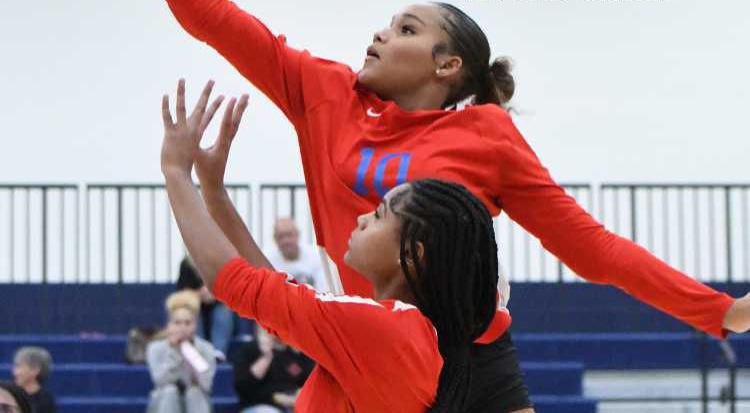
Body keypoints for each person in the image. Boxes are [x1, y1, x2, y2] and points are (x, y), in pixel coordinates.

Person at [141, 0, 750, 340]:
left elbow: (594, 249)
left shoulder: (486, 137)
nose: (381, 33)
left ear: (447, 65)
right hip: (361, 337)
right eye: (387, 24)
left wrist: (722, 312)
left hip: (465, 359)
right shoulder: (325, 93)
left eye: (406, 30)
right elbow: (211, 16)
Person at [157, 85, 525, 411]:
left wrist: (176, 172)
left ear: (413, 254)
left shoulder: (379, 328)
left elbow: (236, 282)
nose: (363, 219)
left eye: (380, 214)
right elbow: (274, 299)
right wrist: (214, 193)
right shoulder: (402, 332)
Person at [146, 290, 217, 413]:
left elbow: (207, 384)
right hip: (164, 402)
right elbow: (160, 381)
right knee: (170, 391)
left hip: (196, 402)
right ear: (169, 325)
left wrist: (191, 354)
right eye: (177, 322)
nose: (182, 328)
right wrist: (174, 352)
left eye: (187, 323)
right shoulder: (155, 348)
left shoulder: (206, 348)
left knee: (194, 392)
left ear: (195, 325)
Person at [232, 327, 314, 413]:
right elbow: (243, 387)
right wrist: (266, 356)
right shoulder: (250, 350)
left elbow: (308, 382)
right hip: (259, 406)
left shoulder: (296, 353)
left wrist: (295, 398)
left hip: (293, 404)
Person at [176, 255, 235, 355]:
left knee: (224, 310)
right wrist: (200, 294)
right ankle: (200, 352)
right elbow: (182, 292)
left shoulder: (222, 261)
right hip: (196, 304)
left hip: (218, 302)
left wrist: (213, 294)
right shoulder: (186, 263)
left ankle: (218, 353)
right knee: (191, 311)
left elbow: (231, 289)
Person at [265, 218, 329, 292]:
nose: (286, 240)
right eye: (281, 236)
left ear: (297, 235)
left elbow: (323, 288)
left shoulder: (316, 256)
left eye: (289, 235)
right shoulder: (268, 259)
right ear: (275, 239)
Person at [11, 348, 55, 413]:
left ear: (35, 370)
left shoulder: (45, 403)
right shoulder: (8, 396)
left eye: (19, 366)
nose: (14, 372)